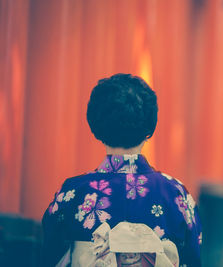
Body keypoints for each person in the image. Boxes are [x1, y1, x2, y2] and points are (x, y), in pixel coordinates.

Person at [41, 74, 202, 266]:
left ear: (96, 125)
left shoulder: (73, 191)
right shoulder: (175, 193)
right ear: (150, 125)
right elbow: (192, 257)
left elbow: (49, 251)